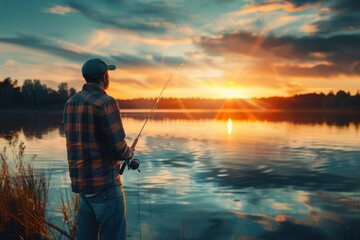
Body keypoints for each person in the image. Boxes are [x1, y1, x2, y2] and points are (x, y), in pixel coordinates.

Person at [63, 58, 134, 240]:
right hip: (105, 188)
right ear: (104, 76)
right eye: (108, 74)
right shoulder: (106, 102)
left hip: (84, 189)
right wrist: (129, 153)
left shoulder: (70, 103)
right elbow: (119, 148)